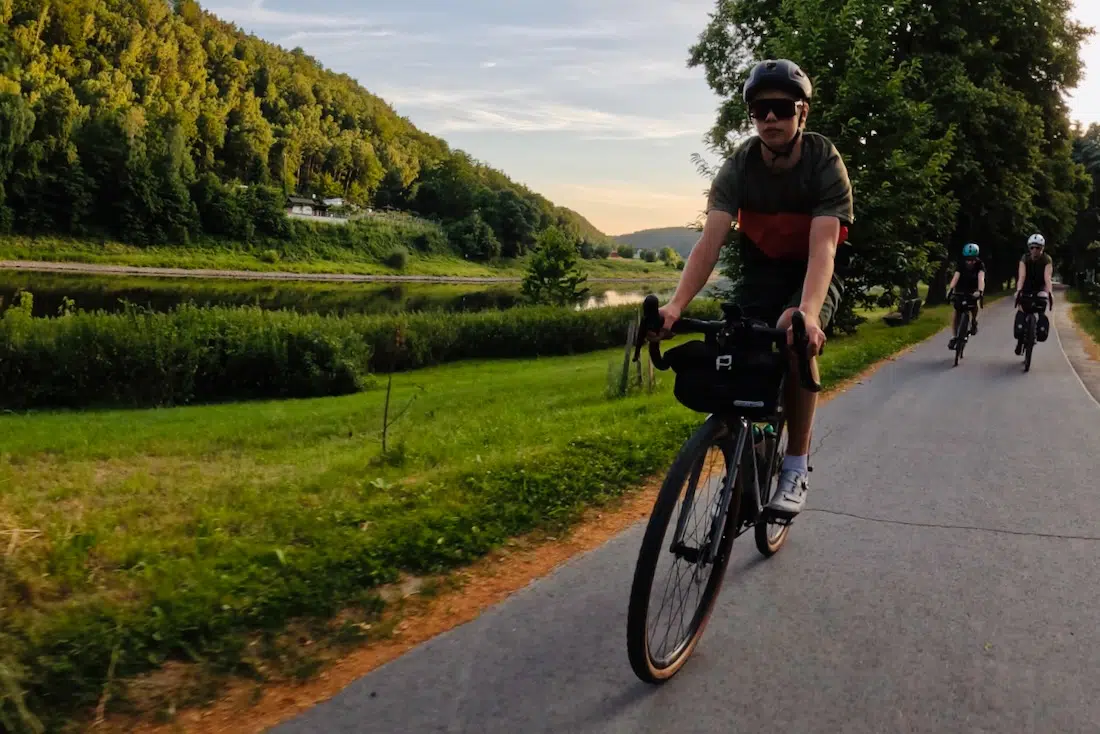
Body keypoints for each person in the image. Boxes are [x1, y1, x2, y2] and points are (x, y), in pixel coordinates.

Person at [647, 58, 853, 519]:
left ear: (803, 113)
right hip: (762, 272)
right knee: (738, 347)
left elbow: (823, 250)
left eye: (782, 108)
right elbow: (708, 244)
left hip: (811, 273)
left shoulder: (824, 162)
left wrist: (809, 313)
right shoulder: (738, 167)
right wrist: (676, 306)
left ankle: (796, 466)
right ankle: (751, 449)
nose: (771, 119)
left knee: (793, 334)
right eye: (761, 111)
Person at [1014, 233, 1054, 354]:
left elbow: (1047, 278)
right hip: (1026, 285)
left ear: (1042, 248)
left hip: (1040, 286)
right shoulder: (1024, 258)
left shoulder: (1047, 259)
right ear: (1029, 248)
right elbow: (1022, 276)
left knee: (1041, 305)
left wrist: (1050, 293)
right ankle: (1020, 341)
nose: (1035, 250)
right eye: (1032, 247)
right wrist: (1018, 291)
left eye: (1038, 248)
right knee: (1022, 308)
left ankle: (1037, 330)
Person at [946, 243, 985, 350]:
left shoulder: (980, 264)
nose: (970, 262)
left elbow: (981, 278)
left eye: (972, 259)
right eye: (968, 259)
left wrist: (980, 291)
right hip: (961, 288)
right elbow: (956, 277)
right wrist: (951, 289)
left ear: (976, 258)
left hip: (973, 289)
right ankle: (954, 336)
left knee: (974, 306)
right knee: (956, 311)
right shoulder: (961, 264)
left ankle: (974, 321)